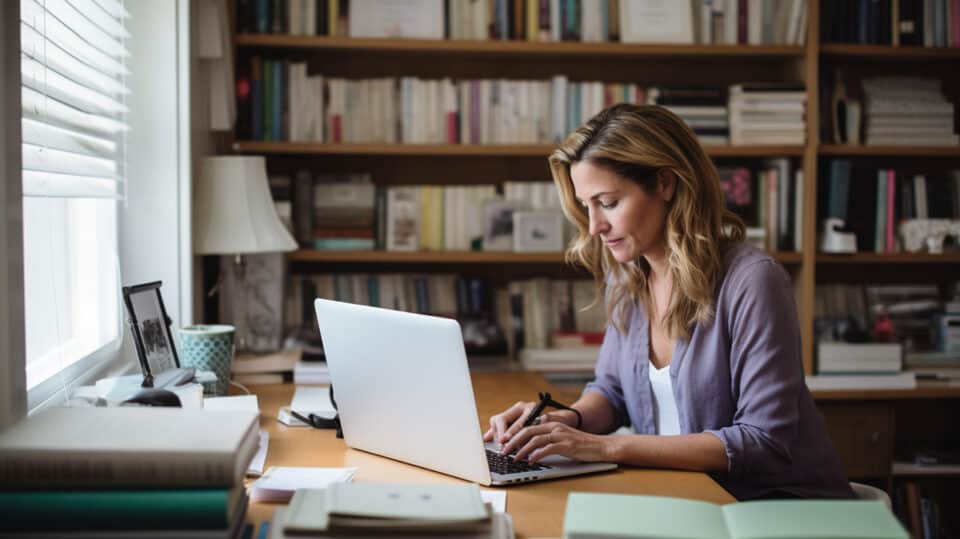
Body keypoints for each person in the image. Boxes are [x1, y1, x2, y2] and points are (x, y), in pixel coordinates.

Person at [483, 104, 854, 500]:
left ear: (665, 183)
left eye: (608, 203)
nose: (594, 227)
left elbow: (763, 439)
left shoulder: (752, 281)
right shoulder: (626, 276)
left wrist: (607, 447)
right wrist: (563, 422)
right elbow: (612, 392)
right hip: (683, 497)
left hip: (774, 507)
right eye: (586, 206)